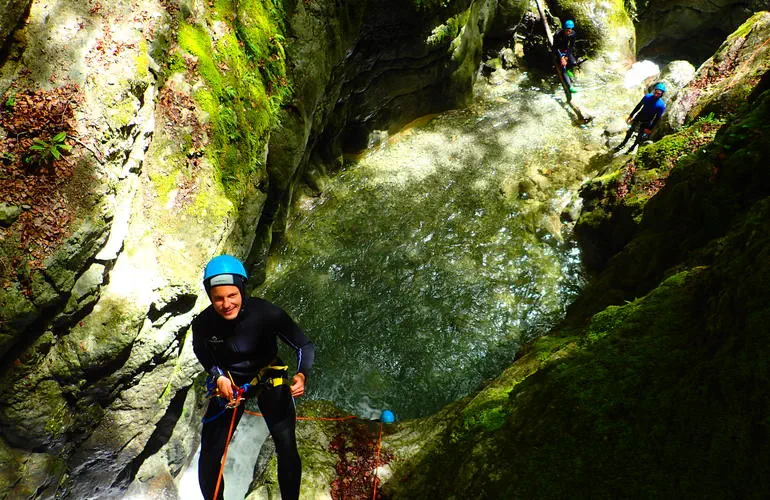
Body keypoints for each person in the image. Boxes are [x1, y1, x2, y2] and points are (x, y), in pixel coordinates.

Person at [192, 255, 315, 500]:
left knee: (286, 446)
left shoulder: (266, 314)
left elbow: (303, 345)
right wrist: (218, 377)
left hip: (269, 377)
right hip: (231, 385)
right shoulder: (203, 324)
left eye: (232, 295)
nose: (226, 304)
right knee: (209, 457)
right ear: (210, 297)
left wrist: (302, 374)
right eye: (218, 298)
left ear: (242, 291)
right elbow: (202, 352)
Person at [615, 82, 667, 153]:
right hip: (638, 117)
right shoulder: (647, 97)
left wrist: (650, 128)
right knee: (630, 131)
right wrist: (631, 115)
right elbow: (639, 106)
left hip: (647, 121)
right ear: (654, 90)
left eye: (659, 93)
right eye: (656, 92)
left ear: (661, 94)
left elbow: (657, 118)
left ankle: (632, 148)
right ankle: (623, 144)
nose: (656, 94)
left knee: (639, 136)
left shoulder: (661, 105)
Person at [552, 19, 578, 93]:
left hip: (565, 50)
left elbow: (571, 46)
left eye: (570, 29)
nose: (568, 31)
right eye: (567, 29)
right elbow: (555, 47)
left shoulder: (573, 34)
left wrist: (566, 56)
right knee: (563, 67)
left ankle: (569, 69)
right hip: (557, 50)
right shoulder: (558, 34)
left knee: (573, 63)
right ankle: (570, 87)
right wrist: (561, 57)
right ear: (564, 29)